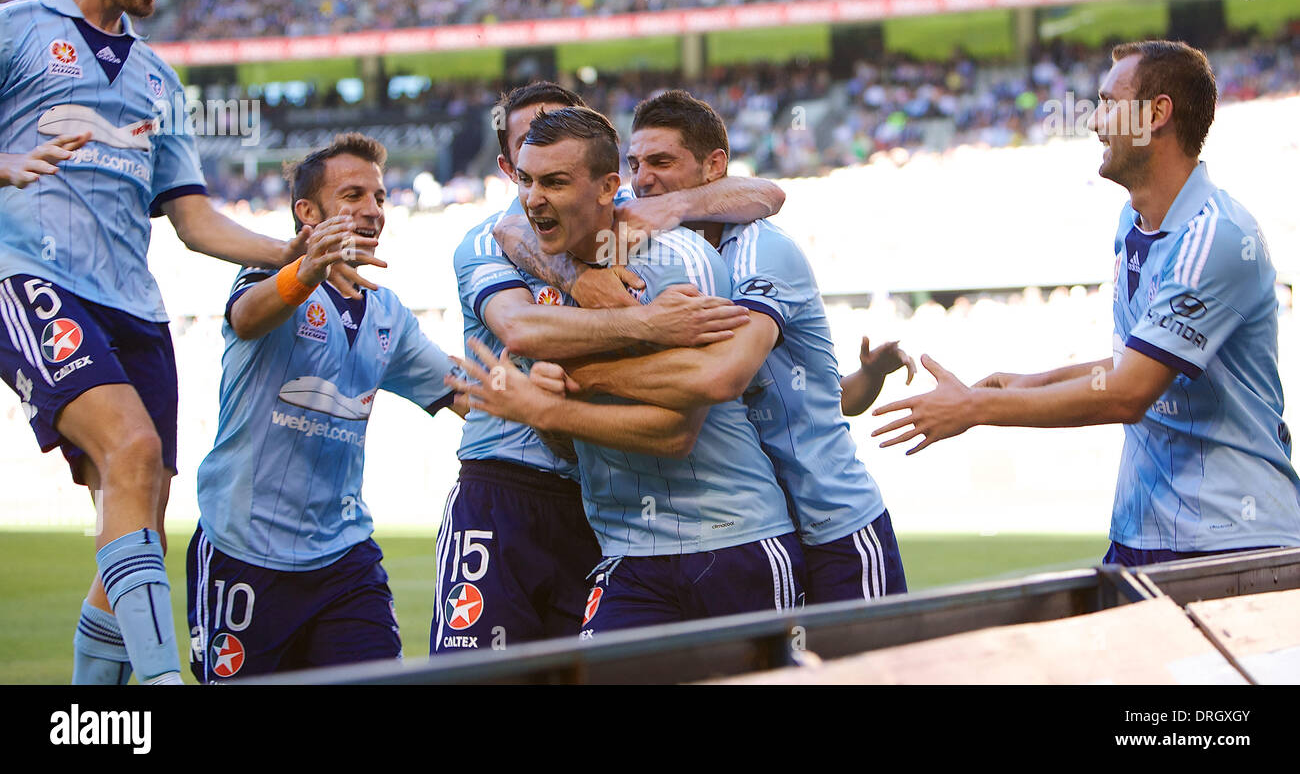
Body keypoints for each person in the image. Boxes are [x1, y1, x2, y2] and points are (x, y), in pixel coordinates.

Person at [0, 0, 308, 685]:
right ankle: (168, 685)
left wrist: (299, 254)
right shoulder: (17, 32)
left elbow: (196, 220)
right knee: (132, 450)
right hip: (32, 278)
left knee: (136, 520)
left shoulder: (159, 81)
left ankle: (94, 722)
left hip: (136, 309)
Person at [873, 40, 1300, 563]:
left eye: (1108, 103)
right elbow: (1135, 363)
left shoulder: (1216, 237)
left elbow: (1127, 393)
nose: (1095, 123)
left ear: (1157, 114)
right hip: (1145, 533)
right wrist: (1032, 381)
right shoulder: (1133, 225)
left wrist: (976, 407)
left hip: (1229, 542)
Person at [432, 82, 788, 653]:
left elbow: (678, 427)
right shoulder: (505, 241)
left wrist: (555, 399)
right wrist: (559, 396)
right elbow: (523, 331)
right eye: (528, 168)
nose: (536, 191)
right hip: (531, 499)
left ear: (606, 180)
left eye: (557, 173)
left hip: (692, 528)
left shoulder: (665, 254)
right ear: (509, 166)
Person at [530, 90, 913, 602]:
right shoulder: (660, 256)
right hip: (760, 527)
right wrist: (573, 274)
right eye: (636, 163)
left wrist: (575, 378)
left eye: (662, 162)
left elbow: (724, 380)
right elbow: (513, 226)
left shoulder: (761, 250)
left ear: (715, 167)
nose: (644, 179)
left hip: (834, 523)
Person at [187, 133, 464, 681]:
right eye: (354, 195)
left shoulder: (388, 314)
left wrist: (531, 381)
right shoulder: (267, 275)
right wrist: (307, 270)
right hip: (244, 552)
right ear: (306, 212)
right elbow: (247, 318)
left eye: (381, 198)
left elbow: (462, 388)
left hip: (344, 559)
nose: (373, 210)